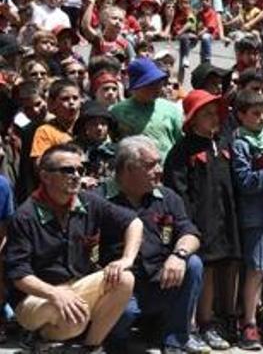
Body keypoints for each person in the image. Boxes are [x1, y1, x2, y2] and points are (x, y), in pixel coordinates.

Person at [5, 144, 142, 352]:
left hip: (77, 288)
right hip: (35, 298)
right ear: (45, 176)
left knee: (125, 278)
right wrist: (55, 294)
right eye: (68, 170)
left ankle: (91, 347)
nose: (77, 175)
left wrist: (126, 259)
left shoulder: (89, 202)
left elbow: (134, 222)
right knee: (73, 320)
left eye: (81, 169)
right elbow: (19, 275)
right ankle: (37, 335)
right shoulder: (25, 216)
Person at [100, 136, 207, 354]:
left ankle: (175, 340)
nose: (159, 170)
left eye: (159, 163)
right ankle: (113, 340)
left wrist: (179, 255)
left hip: (159, 282)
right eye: (151, 165)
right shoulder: (99, 199)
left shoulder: (167, 196)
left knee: (193, 263)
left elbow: (191, 233)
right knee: (124, 319)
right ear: (128, 169)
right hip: (118, 288)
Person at [163, 90, 241, 350]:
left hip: (223, 219)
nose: (213, 118)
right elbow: (177, 191)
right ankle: (192, 326)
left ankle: (208, 323)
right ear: (193, 119)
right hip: (197, 223)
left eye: (215, 113)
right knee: (202, 269)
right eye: (206, 113)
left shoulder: (222, 143)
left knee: (218, 266)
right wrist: (188, 225)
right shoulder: (182, 150)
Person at [230, 90, 263, 350]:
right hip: (253, 214)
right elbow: (246, 181)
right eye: (255, 114)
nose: (262, 119)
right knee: (256, 268)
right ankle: (248, 321)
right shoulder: (240, 143)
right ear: (240, 115)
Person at [111, 58, 183, 161]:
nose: (157, 88)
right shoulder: (117, 112)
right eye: (150, 84)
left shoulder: (171, 109)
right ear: (136, 87)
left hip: (168, 168)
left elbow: (180, 141)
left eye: (158, 82)